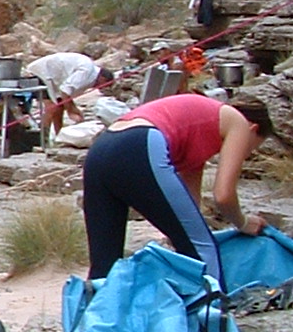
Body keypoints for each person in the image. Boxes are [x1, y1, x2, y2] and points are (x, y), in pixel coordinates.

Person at [81, 91, 264, 284]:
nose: (246, 154)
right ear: (253, 129)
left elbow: (188, 203)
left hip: (101, 149)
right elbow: (223, 196)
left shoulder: (201, 127)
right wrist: (243, 223)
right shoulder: (239, 123)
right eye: (252, 148)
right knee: (203, 250)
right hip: (139, 144)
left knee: (104, 267)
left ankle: (97, 303)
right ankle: (213, 302)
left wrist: (179, 231)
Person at [26, 51, 110, 138]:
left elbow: (65, 96)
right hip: (41, 73)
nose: (100, 88)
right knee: (52, 108)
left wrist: (73, 108)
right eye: (104, 85)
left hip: (53, 79)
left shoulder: (90, 73)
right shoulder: (87, 72)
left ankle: (59, 136)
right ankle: (42, 138)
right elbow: (65, 90)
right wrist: (71, 112)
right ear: (102, 78)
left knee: (59, 107)